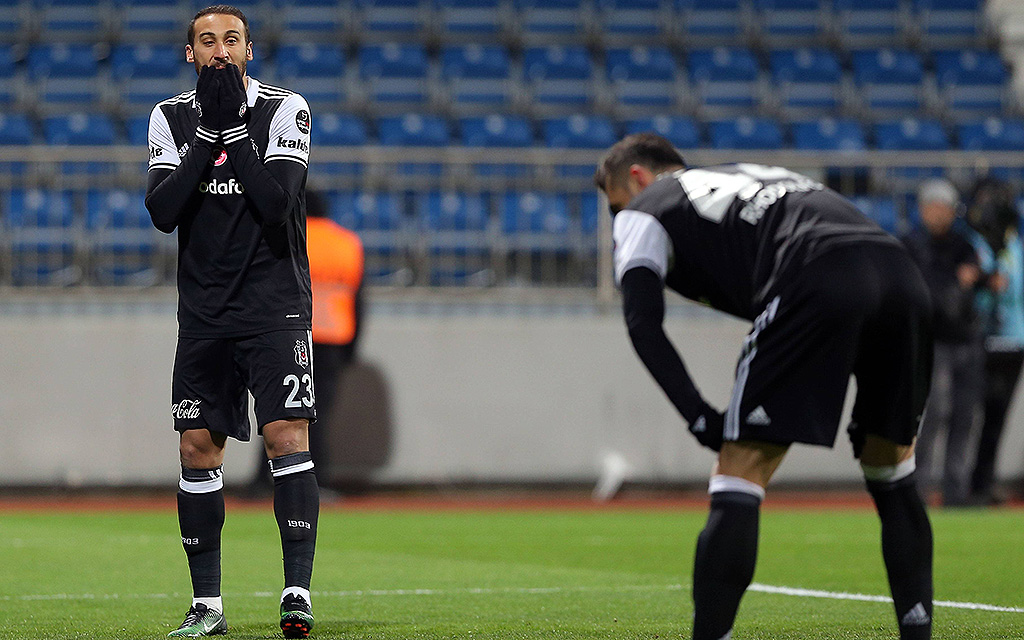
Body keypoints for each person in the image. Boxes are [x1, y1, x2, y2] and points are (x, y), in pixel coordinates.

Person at [594, 134, 934, 640]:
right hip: (901, 274)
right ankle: (918, 628)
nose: (618, 220)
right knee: (891, 466)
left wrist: (699, 415)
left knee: (740, 470)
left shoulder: (646, 206)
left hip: (815, 270)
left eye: (615, 205)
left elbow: (643, 322)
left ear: (638, 177)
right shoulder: (742, 172)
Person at [145, 5, 318, 638]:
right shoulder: (170, 118)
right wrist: (208, 137)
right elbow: (163, 210)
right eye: (207, 41)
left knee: (286, 440)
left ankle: (295, 594)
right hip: (205, 314)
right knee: (197, 448)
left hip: (275, 307)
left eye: (232, 40)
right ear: (190, 54)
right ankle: (208, 607)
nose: (220, 50)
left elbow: (276, 205)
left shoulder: (285, 108)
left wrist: (234, 134)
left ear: (250, 49)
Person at [249, 191, 366, 494]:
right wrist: (351, 350)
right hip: (333, 339)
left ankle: (265, 480)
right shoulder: (347, 242)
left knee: (281, 411)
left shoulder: (288, 236)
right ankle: (316, 480)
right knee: (318, 415)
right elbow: (359, 299)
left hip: (291, 333)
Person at [901, 179, 987, 506]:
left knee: (965, 414)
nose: (940, 214)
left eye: (946, 208)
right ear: (923, 209)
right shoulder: (911, 244)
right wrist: (957, 284)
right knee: (933, 413)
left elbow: (975, 282)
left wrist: (977, 282)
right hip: (930, 340)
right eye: (934, 207)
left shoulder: (963, 244)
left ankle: (956, 489)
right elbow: (922, 291)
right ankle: (919, 487)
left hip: (965, 338)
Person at [964, 177, 1021, 505]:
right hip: (979, 338)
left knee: (997, 417)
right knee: (965, 415)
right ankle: (959, 483)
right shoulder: (971, 241)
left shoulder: (1014, 245)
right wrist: (986, 286)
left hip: (1013, 340)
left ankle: (983, 482)